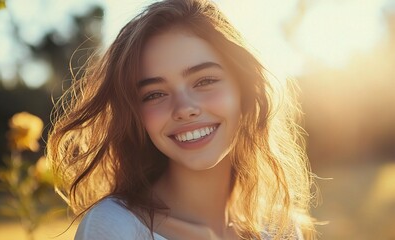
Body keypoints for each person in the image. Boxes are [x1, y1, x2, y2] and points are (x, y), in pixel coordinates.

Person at [47, 0, 317, 239]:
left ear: (243, 90)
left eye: (205, 81)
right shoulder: (115, 227)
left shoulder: (280, 230)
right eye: (154, 94)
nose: (184, 108)